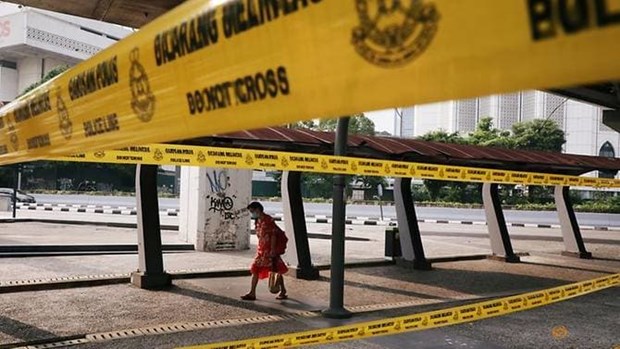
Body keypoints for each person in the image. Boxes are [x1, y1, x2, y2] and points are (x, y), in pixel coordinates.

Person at [241, 201, 288, 301]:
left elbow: (273, 235)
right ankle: (252, 292)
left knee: (276, 270)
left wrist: (272, 250)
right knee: (256, 269)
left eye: (252, 211)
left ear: (258, 209)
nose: (252, 214)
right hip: (261, 251)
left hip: (270, 251)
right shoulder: (259, 221)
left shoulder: (268, 220)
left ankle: (282, 291)